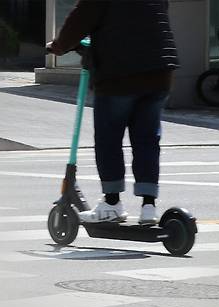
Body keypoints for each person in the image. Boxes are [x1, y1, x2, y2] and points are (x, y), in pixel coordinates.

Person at [47, 0, 179, 225]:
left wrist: (59, 46)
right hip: (159, 70)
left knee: (109, 138)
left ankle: (112, 203)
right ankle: (149, 207)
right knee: (147, 139)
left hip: (119, 73)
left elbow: (81, 18)